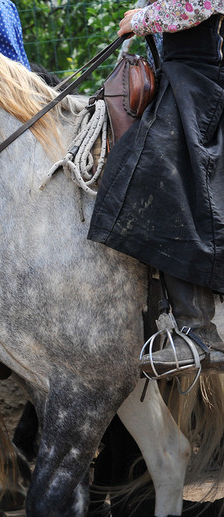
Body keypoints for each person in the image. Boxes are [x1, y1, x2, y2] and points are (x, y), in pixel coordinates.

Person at [88, 0, 224, 375]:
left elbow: (198, 4)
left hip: (199, 78)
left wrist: (141, 19)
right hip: (177, 75)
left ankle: (199, 333)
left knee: (164, 177)